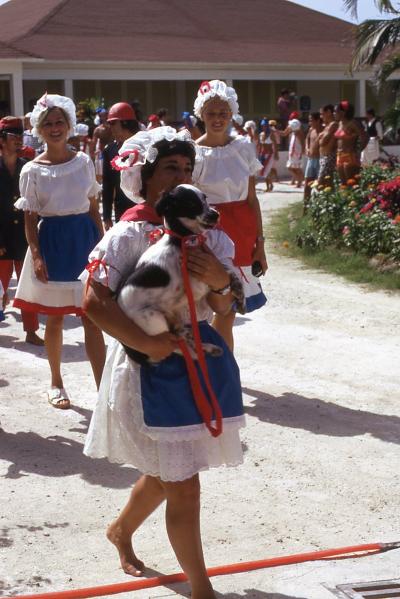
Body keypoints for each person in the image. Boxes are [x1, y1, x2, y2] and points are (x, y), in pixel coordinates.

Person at [82, 126, 245, 599]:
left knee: (165, 473)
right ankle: (202, 590)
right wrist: (148, 344)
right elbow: (94, 301)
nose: (181, 175)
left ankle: (119, 530)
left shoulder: (205, 237)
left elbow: (223, 308)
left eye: (186, 169)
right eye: (170, 168)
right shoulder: (130, 231)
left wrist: (218, 280)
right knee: (184, 482)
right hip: (144, 369)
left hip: (190, 365)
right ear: (146, 177)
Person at [13, 93, 106, 408]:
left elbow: (94, 207)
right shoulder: (32, 171)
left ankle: (103, 388)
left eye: (59, 122)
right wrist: (37, 255)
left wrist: (104, 243)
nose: (55, 128)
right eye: (48, 123)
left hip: (85, 239)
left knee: (91, 317)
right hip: (53, 242)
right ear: (39, 129)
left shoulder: (83, 162)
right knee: (54, 319)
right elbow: (30, 218)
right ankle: (56, 382)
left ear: (69, 125)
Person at [192, 80, 267, 350]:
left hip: (241, 235)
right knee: (208, 306)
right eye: (211, 113)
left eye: (223, 113)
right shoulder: (193, 153)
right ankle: (214, 369)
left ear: (232, 114)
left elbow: (251, 199)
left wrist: (260, 244)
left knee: (229, 310)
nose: (217, 119)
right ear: (201, 114)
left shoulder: (243, 148)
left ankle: (224, 369)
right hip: (208, 237)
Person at [0, 116, 43, 345]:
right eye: (13, 136)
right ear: (2, 140)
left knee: (28, 285)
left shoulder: (27, 166)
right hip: (2, 236)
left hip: (23, 234)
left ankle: (31, 330)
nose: (18, 140)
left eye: (20, 136)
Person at [102, 102, 140, 230]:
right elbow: (107, 185)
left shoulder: (144, 145)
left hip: (145, 208)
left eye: (113, 123)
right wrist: (107, 216)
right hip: (122, 210)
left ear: (125, 122)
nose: (109, 127)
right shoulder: (110, 150)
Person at [334, 100, 366, 184]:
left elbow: (365, 137)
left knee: (352, 183)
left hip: (350, 155)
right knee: (343, 183)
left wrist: (358, 151)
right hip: (340, 155)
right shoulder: (340, 123)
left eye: (336, 111)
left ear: (343, 112)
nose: (334, 113)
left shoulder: (353, 123)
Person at [303, 112, 322, 210]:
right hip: (311, 160)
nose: (310, 122)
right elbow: (307, 139)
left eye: (311, 120)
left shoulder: (323, 130)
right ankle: (305, 209)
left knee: (319, 185)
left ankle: (318, 208)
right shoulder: (311, 130)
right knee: (307, 185)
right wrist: (307, 148)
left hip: (319, 160)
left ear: (318, 120)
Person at [89, 108, 113, 182]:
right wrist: (92, 154)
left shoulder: (113, 128)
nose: (104, 117)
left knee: (112, 175)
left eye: (106, 115)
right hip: (102, 155)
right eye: (102, 116)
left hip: (113, 153)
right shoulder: (98, 130)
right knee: (100, 176)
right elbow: (93, 142)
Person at [318, 104, 338, 187]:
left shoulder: (333, 125)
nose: (321, 116)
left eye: (322, 114)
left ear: (329, 112)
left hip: (329, 157)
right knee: (327, 183)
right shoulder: (327, 126)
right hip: (323, 157)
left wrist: (321, 138)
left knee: (321, 182)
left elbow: (323, 142)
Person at [283, 118, 305, 187]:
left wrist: (302, 152)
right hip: (292, 153)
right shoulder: (293, 133)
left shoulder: (299, 133)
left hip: (297, 153)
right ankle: (300, 180)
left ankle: (299, 182)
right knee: (291, 167)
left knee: (297, 168)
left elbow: (302, 143)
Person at [258, 119, 278, 192]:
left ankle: (268, 187)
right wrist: (258, 154)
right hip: (263, 155)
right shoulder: (261, 134)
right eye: (263, 126)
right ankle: (270, 185)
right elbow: (260, 145)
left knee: (266, 171)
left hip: (270, 155)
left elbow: (275, 144)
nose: (264, 127)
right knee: (264, 172)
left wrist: (276, 154)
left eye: (265, 126)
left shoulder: (271, 134)